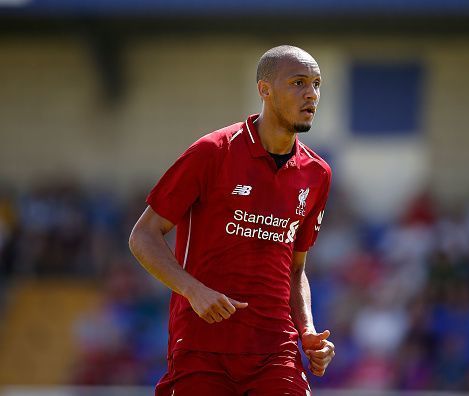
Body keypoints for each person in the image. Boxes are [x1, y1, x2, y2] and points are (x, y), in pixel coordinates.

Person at [129, 45, 335, 395]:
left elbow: (295, 269)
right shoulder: (213, 151)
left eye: (316, 84)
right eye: (298, 83)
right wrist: (192, 290)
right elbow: (143, 235)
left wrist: (308, 330)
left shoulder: (317, 173)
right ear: (264, 90)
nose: (310, 94)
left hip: (275, 350)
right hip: (201, 348)